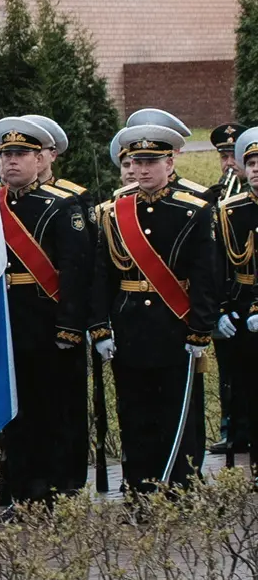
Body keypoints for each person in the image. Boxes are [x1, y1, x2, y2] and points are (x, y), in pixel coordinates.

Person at [91, 123, 221, 495]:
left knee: (175, 413)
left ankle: (179, 488)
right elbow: (101, 276)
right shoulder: (112, 213)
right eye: (136, 162)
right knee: (134, 412)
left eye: (151, 161)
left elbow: (206, 277)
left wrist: (200, 331)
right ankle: (139, 489)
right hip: (129, 326)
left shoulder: (193, 211)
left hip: (174, 325)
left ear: (169, 163)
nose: (142, 169)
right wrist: (100, 327)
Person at [0, 117, 93, 506]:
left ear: (40, 159)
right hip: (6, 321)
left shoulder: (61, 206)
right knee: (15, 413)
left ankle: (55, 488)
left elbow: (76, 270)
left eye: (20, 154)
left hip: (47, 321)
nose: (11, 162)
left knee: (53, 408)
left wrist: (70, 325)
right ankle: (20, 487)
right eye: (5, 155)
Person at [209, 121, 248, 458]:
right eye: (224, 156)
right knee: (230, 370)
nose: (229, 163)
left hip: (249, 296)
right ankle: (232, 428)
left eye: (234, 155)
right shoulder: (216, 196)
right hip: (229, 298)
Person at [223, 128, 258, 465]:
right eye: (251, 163)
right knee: (248, 390)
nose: (256, 168)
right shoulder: (230, 210)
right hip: (244, 310)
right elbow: (219, 266)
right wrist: (223, 309)